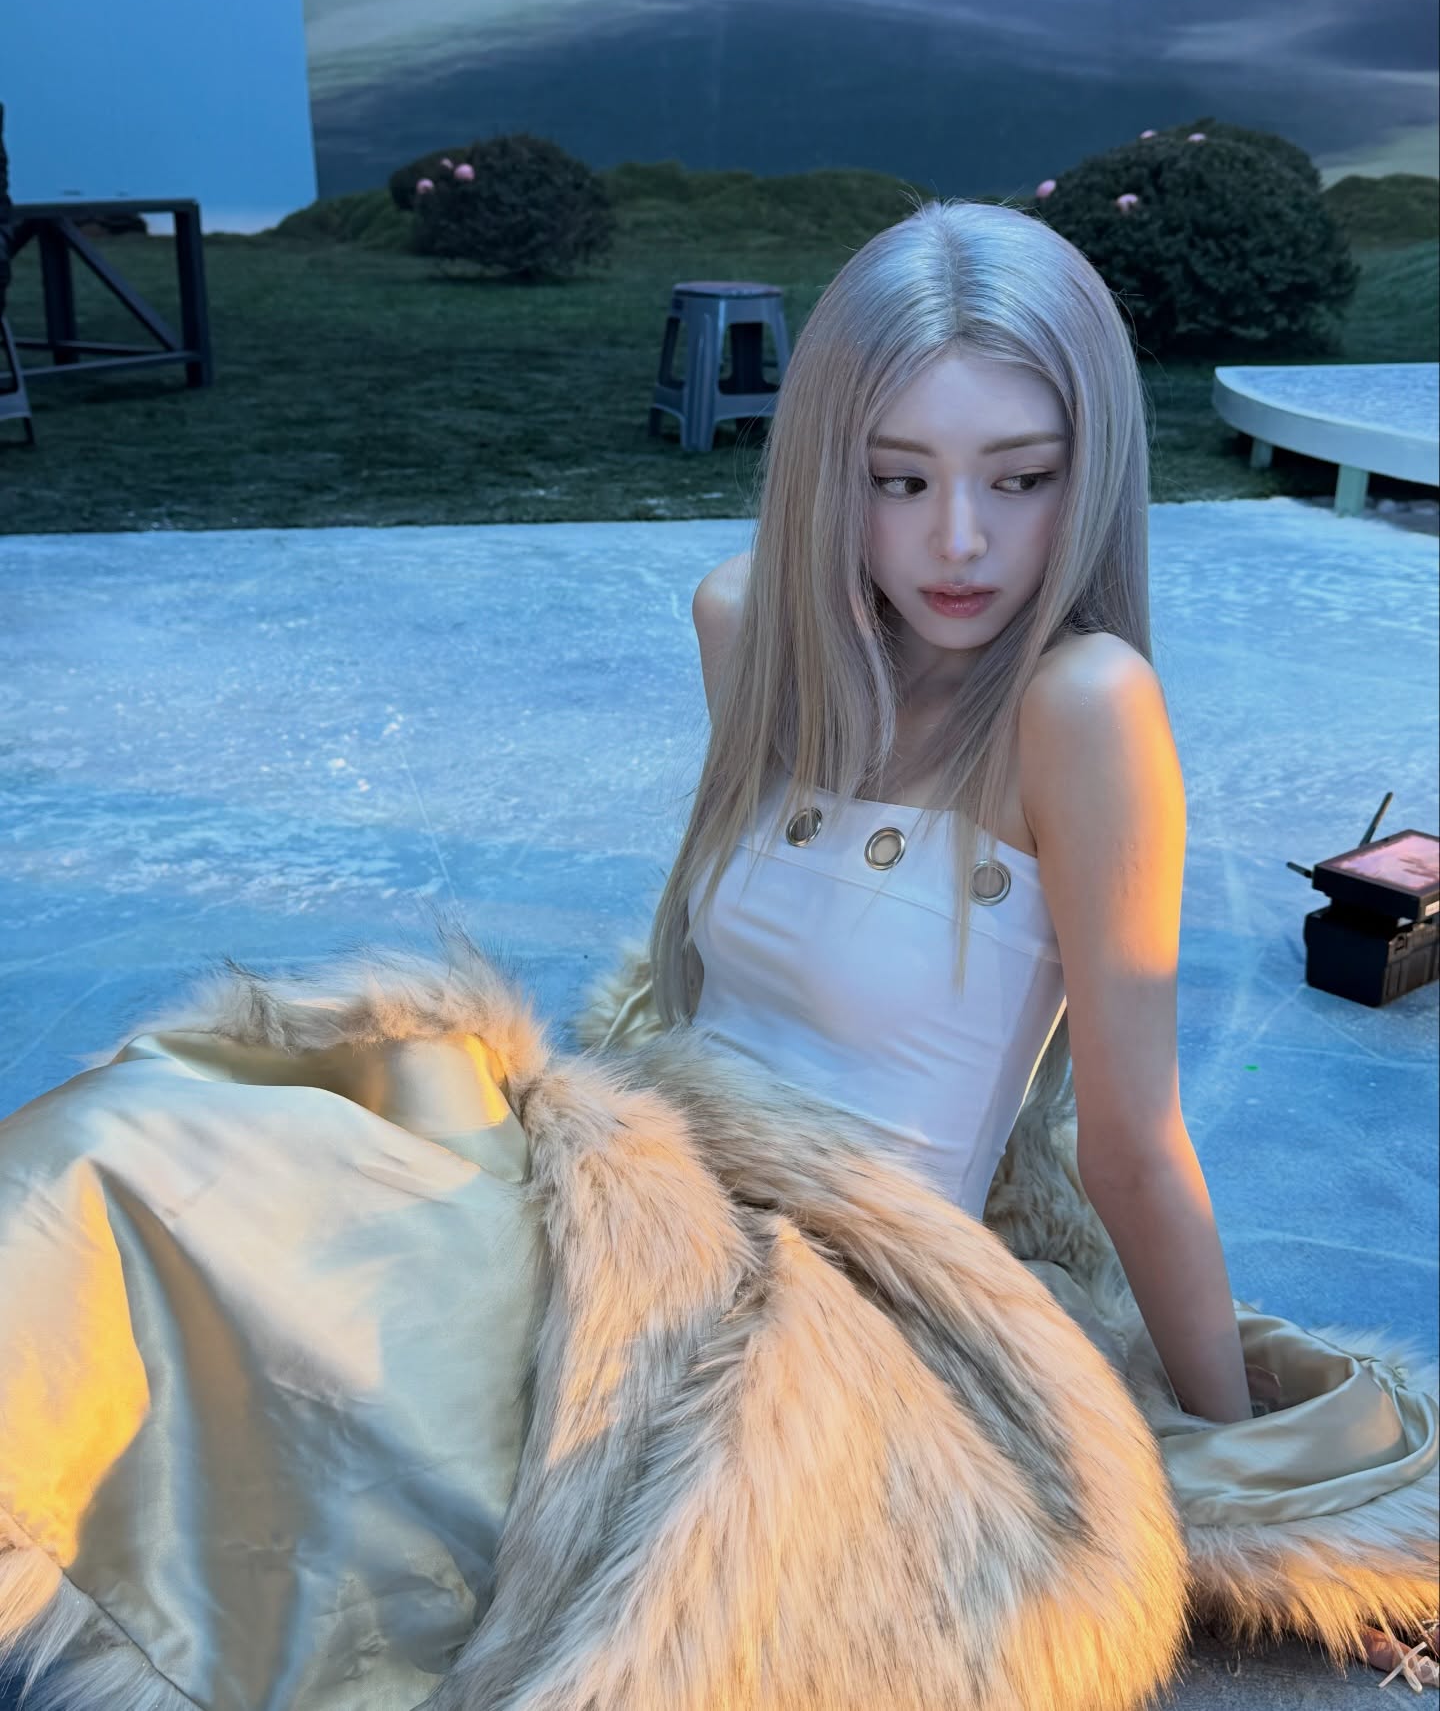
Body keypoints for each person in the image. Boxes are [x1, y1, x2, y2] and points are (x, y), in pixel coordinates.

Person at [0, 201, 1434, 1711]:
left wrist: (1225, 1445)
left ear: (1093, 478)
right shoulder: (749, 624)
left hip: (832, 1278)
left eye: (1022, 480)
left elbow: (1135, 1141)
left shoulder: (1082, 707)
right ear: (824, 469)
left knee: (415, 1459)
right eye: (897, 478)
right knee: (148, 1148)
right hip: (627, 1161)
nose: (960, 540)